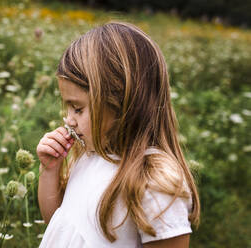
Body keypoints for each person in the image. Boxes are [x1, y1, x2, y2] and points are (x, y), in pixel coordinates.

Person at [36, 22, 200, 248]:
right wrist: (50, 170)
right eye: (68, 108)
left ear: (122, 102)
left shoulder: (153, 181)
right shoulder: (88, 156)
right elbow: (56, 223)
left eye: (78, 109)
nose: (68, 120)